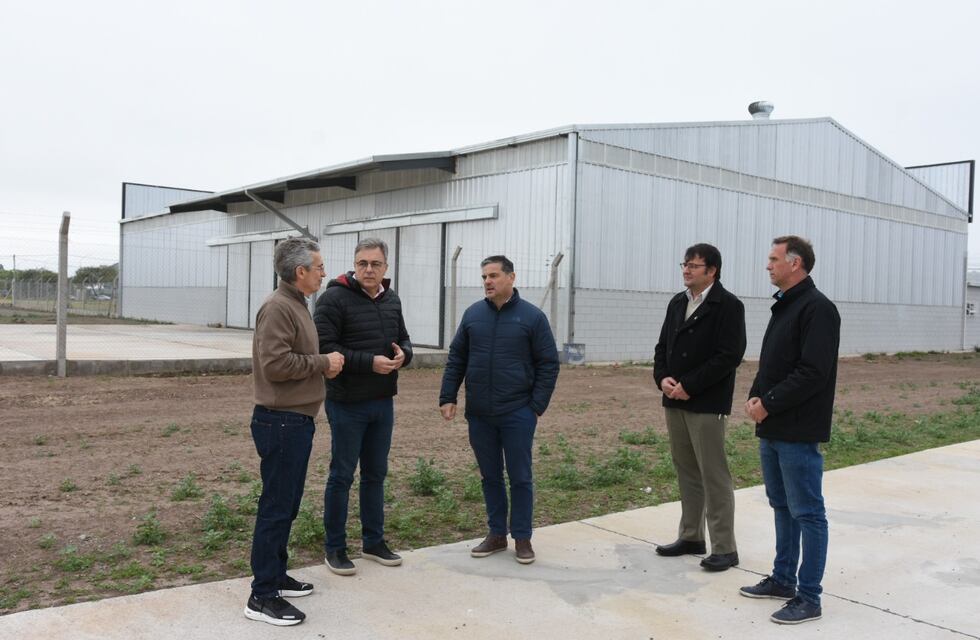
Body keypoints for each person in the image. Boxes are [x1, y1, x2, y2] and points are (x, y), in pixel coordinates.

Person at [741, 235, 840, 625]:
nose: (767, 265)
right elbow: (773, 364)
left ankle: (809, 597)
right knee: (781, 506)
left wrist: (768, 403)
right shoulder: (785, 307)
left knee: (808, 512)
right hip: (773, 426)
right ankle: (783, 580)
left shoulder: (818, 309)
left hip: (797, 429)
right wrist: (754, 396)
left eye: (773, 259)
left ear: (795, 263)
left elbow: (812, 372)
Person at [245, 238, 344, 627]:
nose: (323, 272)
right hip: (281, 421)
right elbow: (275, 364)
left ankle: (276, 576)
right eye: (318, 267)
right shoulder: (278, 308)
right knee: (276, 507)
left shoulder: (296, 304)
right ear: (300, 271)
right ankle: (262, 596)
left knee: (286, 504)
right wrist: (322, 363)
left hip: (294, 420)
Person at [439, 255, 559, 564]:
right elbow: (457, 358)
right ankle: (496, 534)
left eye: (493, 275)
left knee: (520, 477)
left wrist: (535, 407)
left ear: (511, 277)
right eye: (484, 277)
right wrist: (447, 396)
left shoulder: (532, 318)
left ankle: (522, 537)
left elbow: (548, 364)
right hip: (479, 413)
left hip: (517, 412)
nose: (487, 282)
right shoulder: (472, 315)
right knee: (489, 477)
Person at [314, 237, 412, 576]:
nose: (368, 270)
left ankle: (373, 542)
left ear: (386, 267)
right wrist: (368, 363)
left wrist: (405, 355)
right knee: (342, 476)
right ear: (354, 265)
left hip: (382, 402)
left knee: (376, 474)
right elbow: (325, 347)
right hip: (347, 402)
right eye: (362, 264)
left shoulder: (392, 300)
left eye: (375, 264)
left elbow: (404, 337)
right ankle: (335, 548)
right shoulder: (333, 299)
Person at [653, 243, 746, 572]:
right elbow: (663, 346)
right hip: (673, 399)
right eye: (685, 264)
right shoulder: (678, 302)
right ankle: (691, 535)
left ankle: (725, 547)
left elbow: (729, 356)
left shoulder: (728, 306)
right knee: (686, 469)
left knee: (713, 474)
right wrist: (662, 378)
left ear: (712, 271)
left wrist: (689, 386)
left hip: (706, 402)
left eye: (694, 266)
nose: (686, 270)